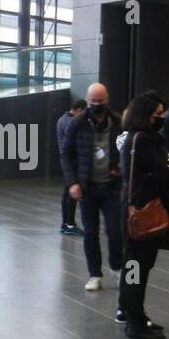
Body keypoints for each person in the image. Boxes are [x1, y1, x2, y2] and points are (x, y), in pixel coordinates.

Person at [119, 91, 169, 339]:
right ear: (146, 116)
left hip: (135, 210)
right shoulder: (144, 141)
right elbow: (164, 171)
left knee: (134, 268)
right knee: (136, 269)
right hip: (142, 214)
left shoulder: (136, 138)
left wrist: (168, 164)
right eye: (157, 114)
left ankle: (134, 315)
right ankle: (135, 322)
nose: (162, 118)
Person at [61, 83, 123, 292]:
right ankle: (95, 274)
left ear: (107, 99)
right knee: (91, 232)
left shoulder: (117, 122)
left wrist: (121, 168)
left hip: (111, 186)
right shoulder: (77, 123)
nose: (97, 105)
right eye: (93, 102)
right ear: (87, 101)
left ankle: (118, 267)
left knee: (115, 231)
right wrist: (72, 183)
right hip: (87, 188)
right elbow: (66, 155)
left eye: (100, 101)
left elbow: (127, 149)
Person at [56, 98, 87, 236]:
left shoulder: (62, 119)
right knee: (72, 194)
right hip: (72, 162)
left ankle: (66, 223)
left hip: (66, 161)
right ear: (79, 110)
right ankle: (69, 224)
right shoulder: (70, 122)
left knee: (67, 193)